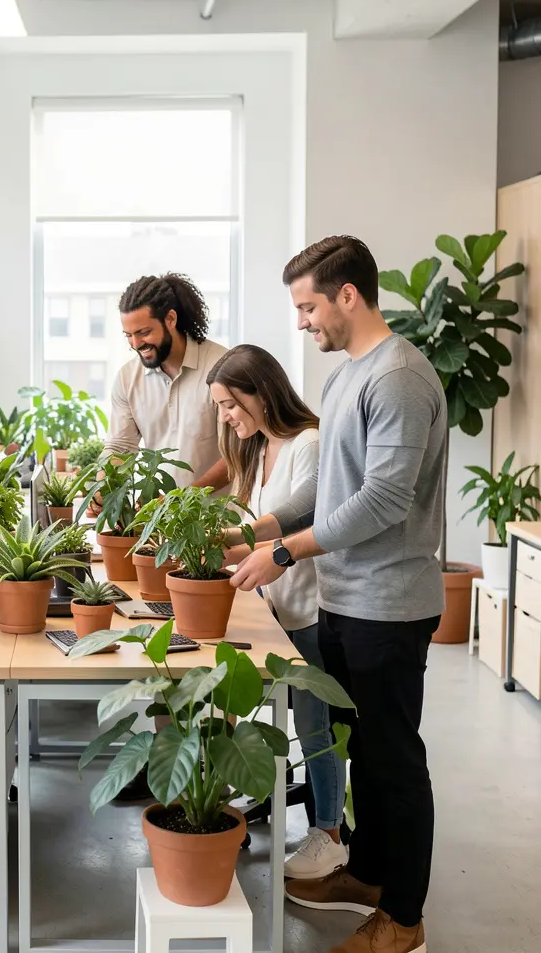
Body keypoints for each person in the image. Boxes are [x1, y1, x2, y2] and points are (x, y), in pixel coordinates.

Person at [229, 236, 443, 953]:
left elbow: (382, 499)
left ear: (347, 295)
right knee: (364, 755)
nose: (301, 321)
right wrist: (259, 528)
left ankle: (403, 919)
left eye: (307, 305)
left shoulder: (401, 378)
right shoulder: (346, 376)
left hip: (391, 601)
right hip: (347, 599)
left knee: (394, 760)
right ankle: (369, 875)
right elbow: (330, 488)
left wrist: (285, 551)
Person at [208, 344, 349, 881]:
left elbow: (302, 519)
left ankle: (329, 835)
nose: (225, 416)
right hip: (275, 607)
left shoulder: (306, 444)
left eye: (229, 404)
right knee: (286, 718)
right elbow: (262, 533)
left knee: (315, 728)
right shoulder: (263, 446)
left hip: (309, 607)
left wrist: (234, 540)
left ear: (261, 393)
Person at [105, 273, 229, 489]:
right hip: (162, 518)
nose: (135, 344)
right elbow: (120, 446)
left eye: (144, 332)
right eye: (128, 335)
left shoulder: (224, 367)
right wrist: (103, 488)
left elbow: (239, 454)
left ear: (170, 319)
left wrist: (182, 499)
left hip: (221, 517)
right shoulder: (127, 379)